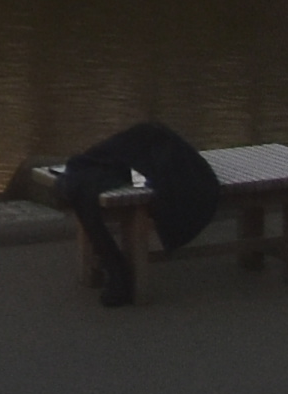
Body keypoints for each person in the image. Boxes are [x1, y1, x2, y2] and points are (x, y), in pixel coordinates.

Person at [39, 119, 224, 307]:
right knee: (93, 175)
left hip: (137, 150)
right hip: (144, 148)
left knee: (87, 182)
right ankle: (116, 269)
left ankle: (117, 270)